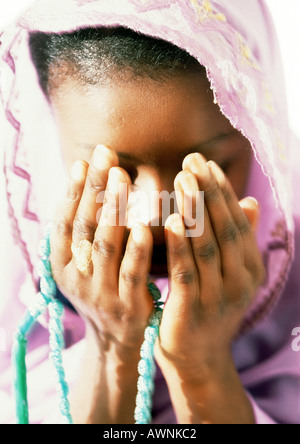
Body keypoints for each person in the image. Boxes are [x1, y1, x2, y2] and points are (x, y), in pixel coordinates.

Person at [0, 0, 299, 424]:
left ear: (260, 135)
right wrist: (111, 344)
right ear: (54, 141)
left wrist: (203, 366)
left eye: (203, 168)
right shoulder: (19, 293)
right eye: (117, 172)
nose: (155, 217)